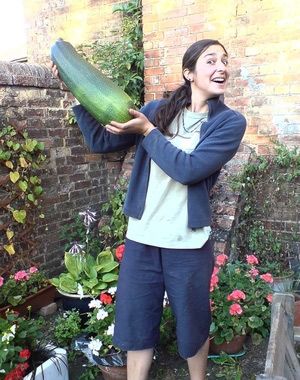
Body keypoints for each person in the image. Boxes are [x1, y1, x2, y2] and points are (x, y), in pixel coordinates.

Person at [51, 38, 246, 380]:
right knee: (136, 320)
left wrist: (148, 131)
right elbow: (101, 141)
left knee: (192, 322)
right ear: (189, 73)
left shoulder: (229, 123)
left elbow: (189, 169)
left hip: (186, 242)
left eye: (224, 61)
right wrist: (76, 92)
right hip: (143, 238)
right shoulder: (157, 110)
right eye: (211, 61)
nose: (221, 68)